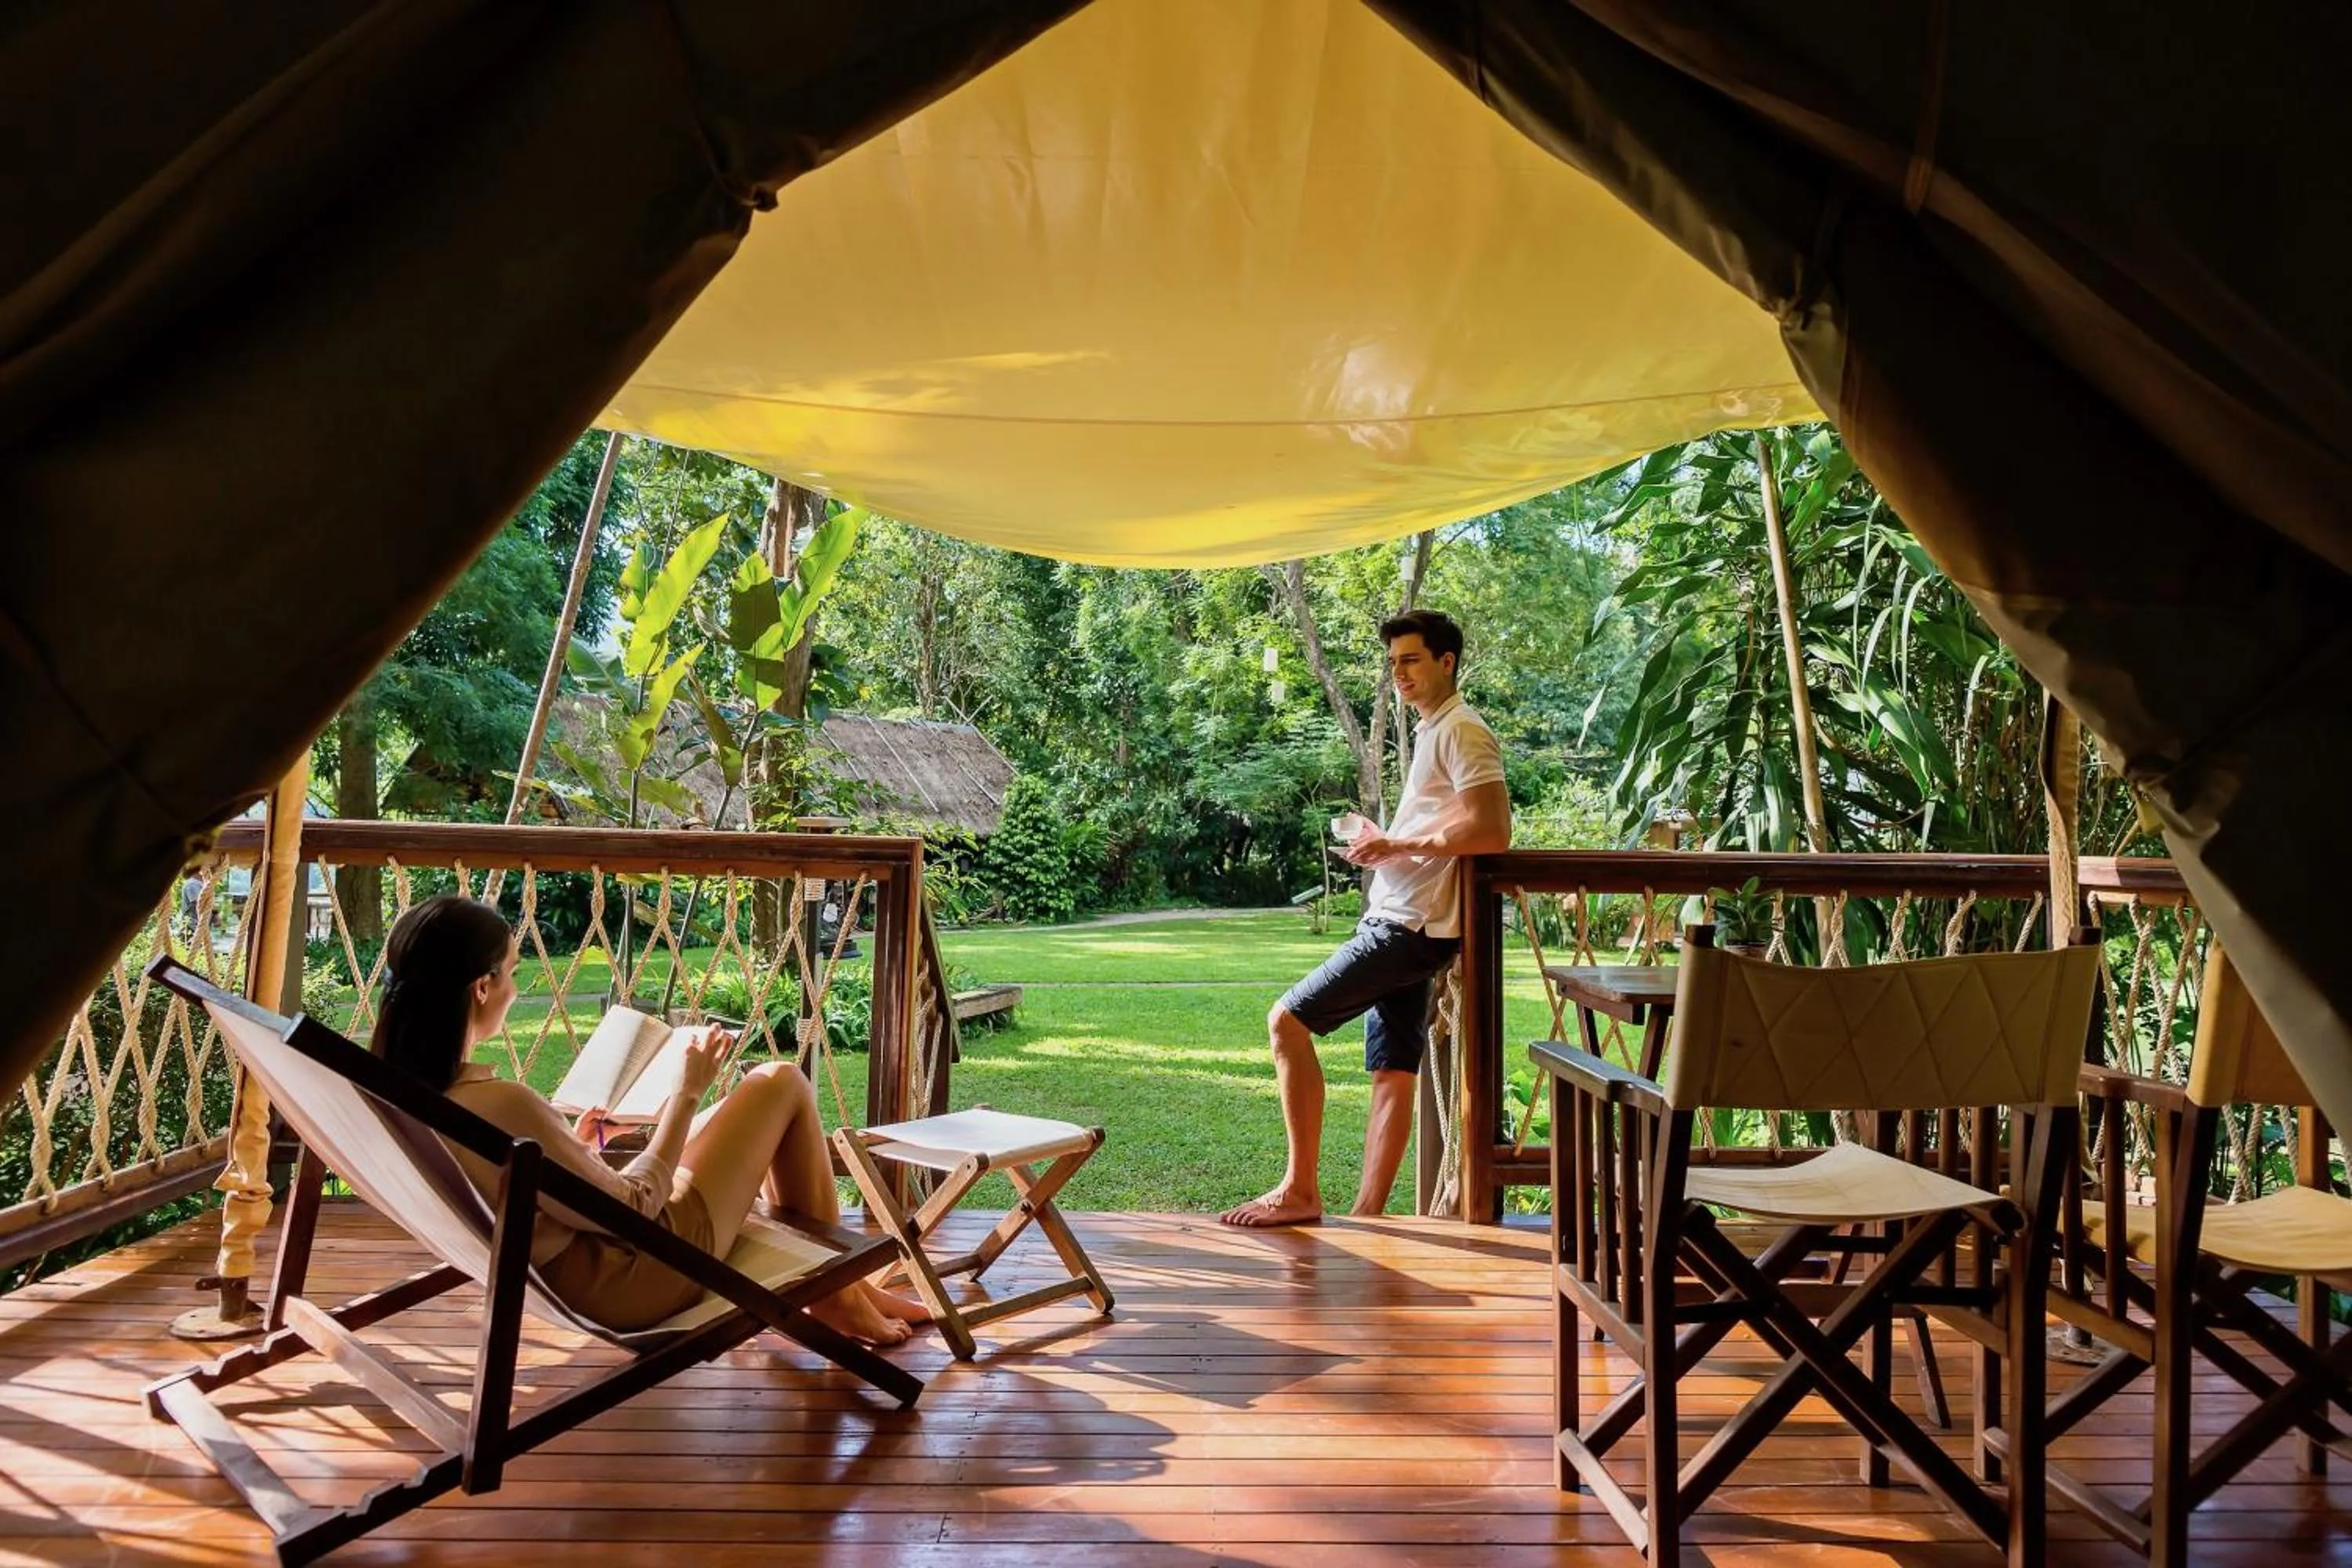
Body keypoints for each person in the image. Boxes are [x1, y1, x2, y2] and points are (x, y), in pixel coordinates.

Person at [369, 894, 927, 1344]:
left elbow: (534, 1194)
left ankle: (845, 1288)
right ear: (483, 986)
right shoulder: (502, 1105)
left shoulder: (401, 1093)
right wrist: (685, 1094)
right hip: (631, 1276)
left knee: (749, 1112)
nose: (517, 989)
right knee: (779, 1083)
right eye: (514, 972)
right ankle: (837, 1291)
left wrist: (574, 1152)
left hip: (573, 1264)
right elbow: (633, 1207)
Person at [1221, 609, 1511, 1227]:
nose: (1399, 674)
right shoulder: (1437, 730)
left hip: (1408, 929)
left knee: (1287, 1022)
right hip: (1409, 922)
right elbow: (1450, 822)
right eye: (1394, 663)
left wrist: (1401, 846)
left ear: (1446, 662)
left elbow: (1492, 828)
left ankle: (1300, 1189)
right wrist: (1388, 841)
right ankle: (1368, 1216)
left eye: (1411, 660)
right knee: (1393, 1070)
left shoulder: (1462, 730)